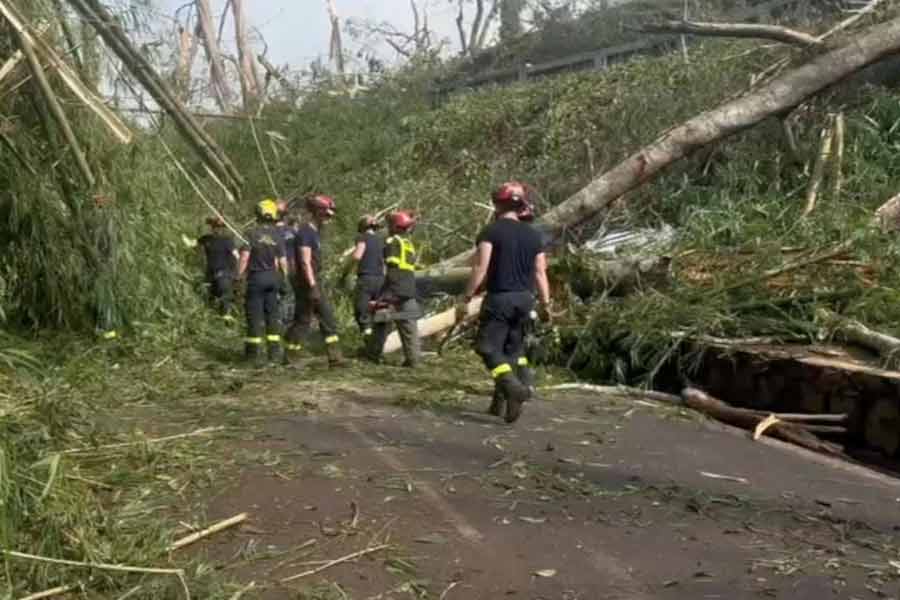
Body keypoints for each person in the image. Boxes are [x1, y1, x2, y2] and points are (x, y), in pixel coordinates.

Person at [457, 182, 552, 423]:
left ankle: (514, 390)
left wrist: (465, 298)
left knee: (488, 349)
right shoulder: (534, 235)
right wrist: (545, 304)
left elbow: (480, 268)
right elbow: (541, 272)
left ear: (496, 204)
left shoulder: (491, 232)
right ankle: (501, 405)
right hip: (525, 300)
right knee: (512, 351)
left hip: (500, 298)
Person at [286, 194, 346, 367]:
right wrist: (312, 286)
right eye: (327, 215)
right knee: (304, 320)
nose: (329, 219)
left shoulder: (315, 233)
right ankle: (290, 356)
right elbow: (305, 262)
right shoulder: (306, 232)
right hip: (307, 283)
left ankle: (335, 358)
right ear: (318, 212)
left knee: (325, 317)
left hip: (314, 281)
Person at [238, 199, 289, 366]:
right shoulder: (278, 235)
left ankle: (252, 355)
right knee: (272, 316)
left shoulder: (251, 234)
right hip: (273, 279)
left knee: (254, 317)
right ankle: (274, 354)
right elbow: (282, 261)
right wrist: (285, 279)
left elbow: (245, 258)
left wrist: (238, 277)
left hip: (256, 278)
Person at [367, 211, 421, 367]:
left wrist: (383, 295)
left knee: (380, 320)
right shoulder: (408, 243)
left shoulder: (393, 241)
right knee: (410, 326)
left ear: (395, 227)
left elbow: (392, 268)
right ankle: (414, 360)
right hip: (409, 288)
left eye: (390, 225)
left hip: (395, 288)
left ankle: (372, 354)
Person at [341, 215, 385, 342]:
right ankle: (377, 341)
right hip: (380, 279)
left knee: (361, 310)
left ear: (361, 227)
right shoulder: (380, 240)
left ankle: (367, 338)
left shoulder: (362, 237)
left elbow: (357, 256)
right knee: (378, 310)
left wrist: (346, 272)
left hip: (366, 279)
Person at [197, 216, 239, 321]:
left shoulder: (227, 241)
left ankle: (226, 320)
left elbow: (236, 256)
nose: (217, 229)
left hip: (223, 274)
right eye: (215, 227)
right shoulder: (206, 239)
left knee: (225, 297)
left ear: (223, 228)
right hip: (210, 274)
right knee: (209, 297)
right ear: (212, 227)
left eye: (220, 227)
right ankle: (210, 319)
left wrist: (235, 272)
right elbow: (194, 244)